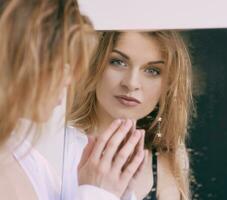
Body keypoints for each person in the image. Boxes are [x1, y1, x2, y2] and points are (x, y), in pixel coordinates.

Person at [0, 1, 144, 199]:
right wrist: (97, 193)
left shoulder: (25, 156)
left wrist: (110, 188)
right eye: (63, 63)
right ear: (23, 59)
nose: (70, 81)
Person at [68, 31, 194, 200]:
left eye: (152, 70)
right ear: (94, 66)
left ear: (168, 85)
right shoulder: (59, 143)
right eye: (118, 62)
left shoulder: (168, 159)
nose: (131, 83)